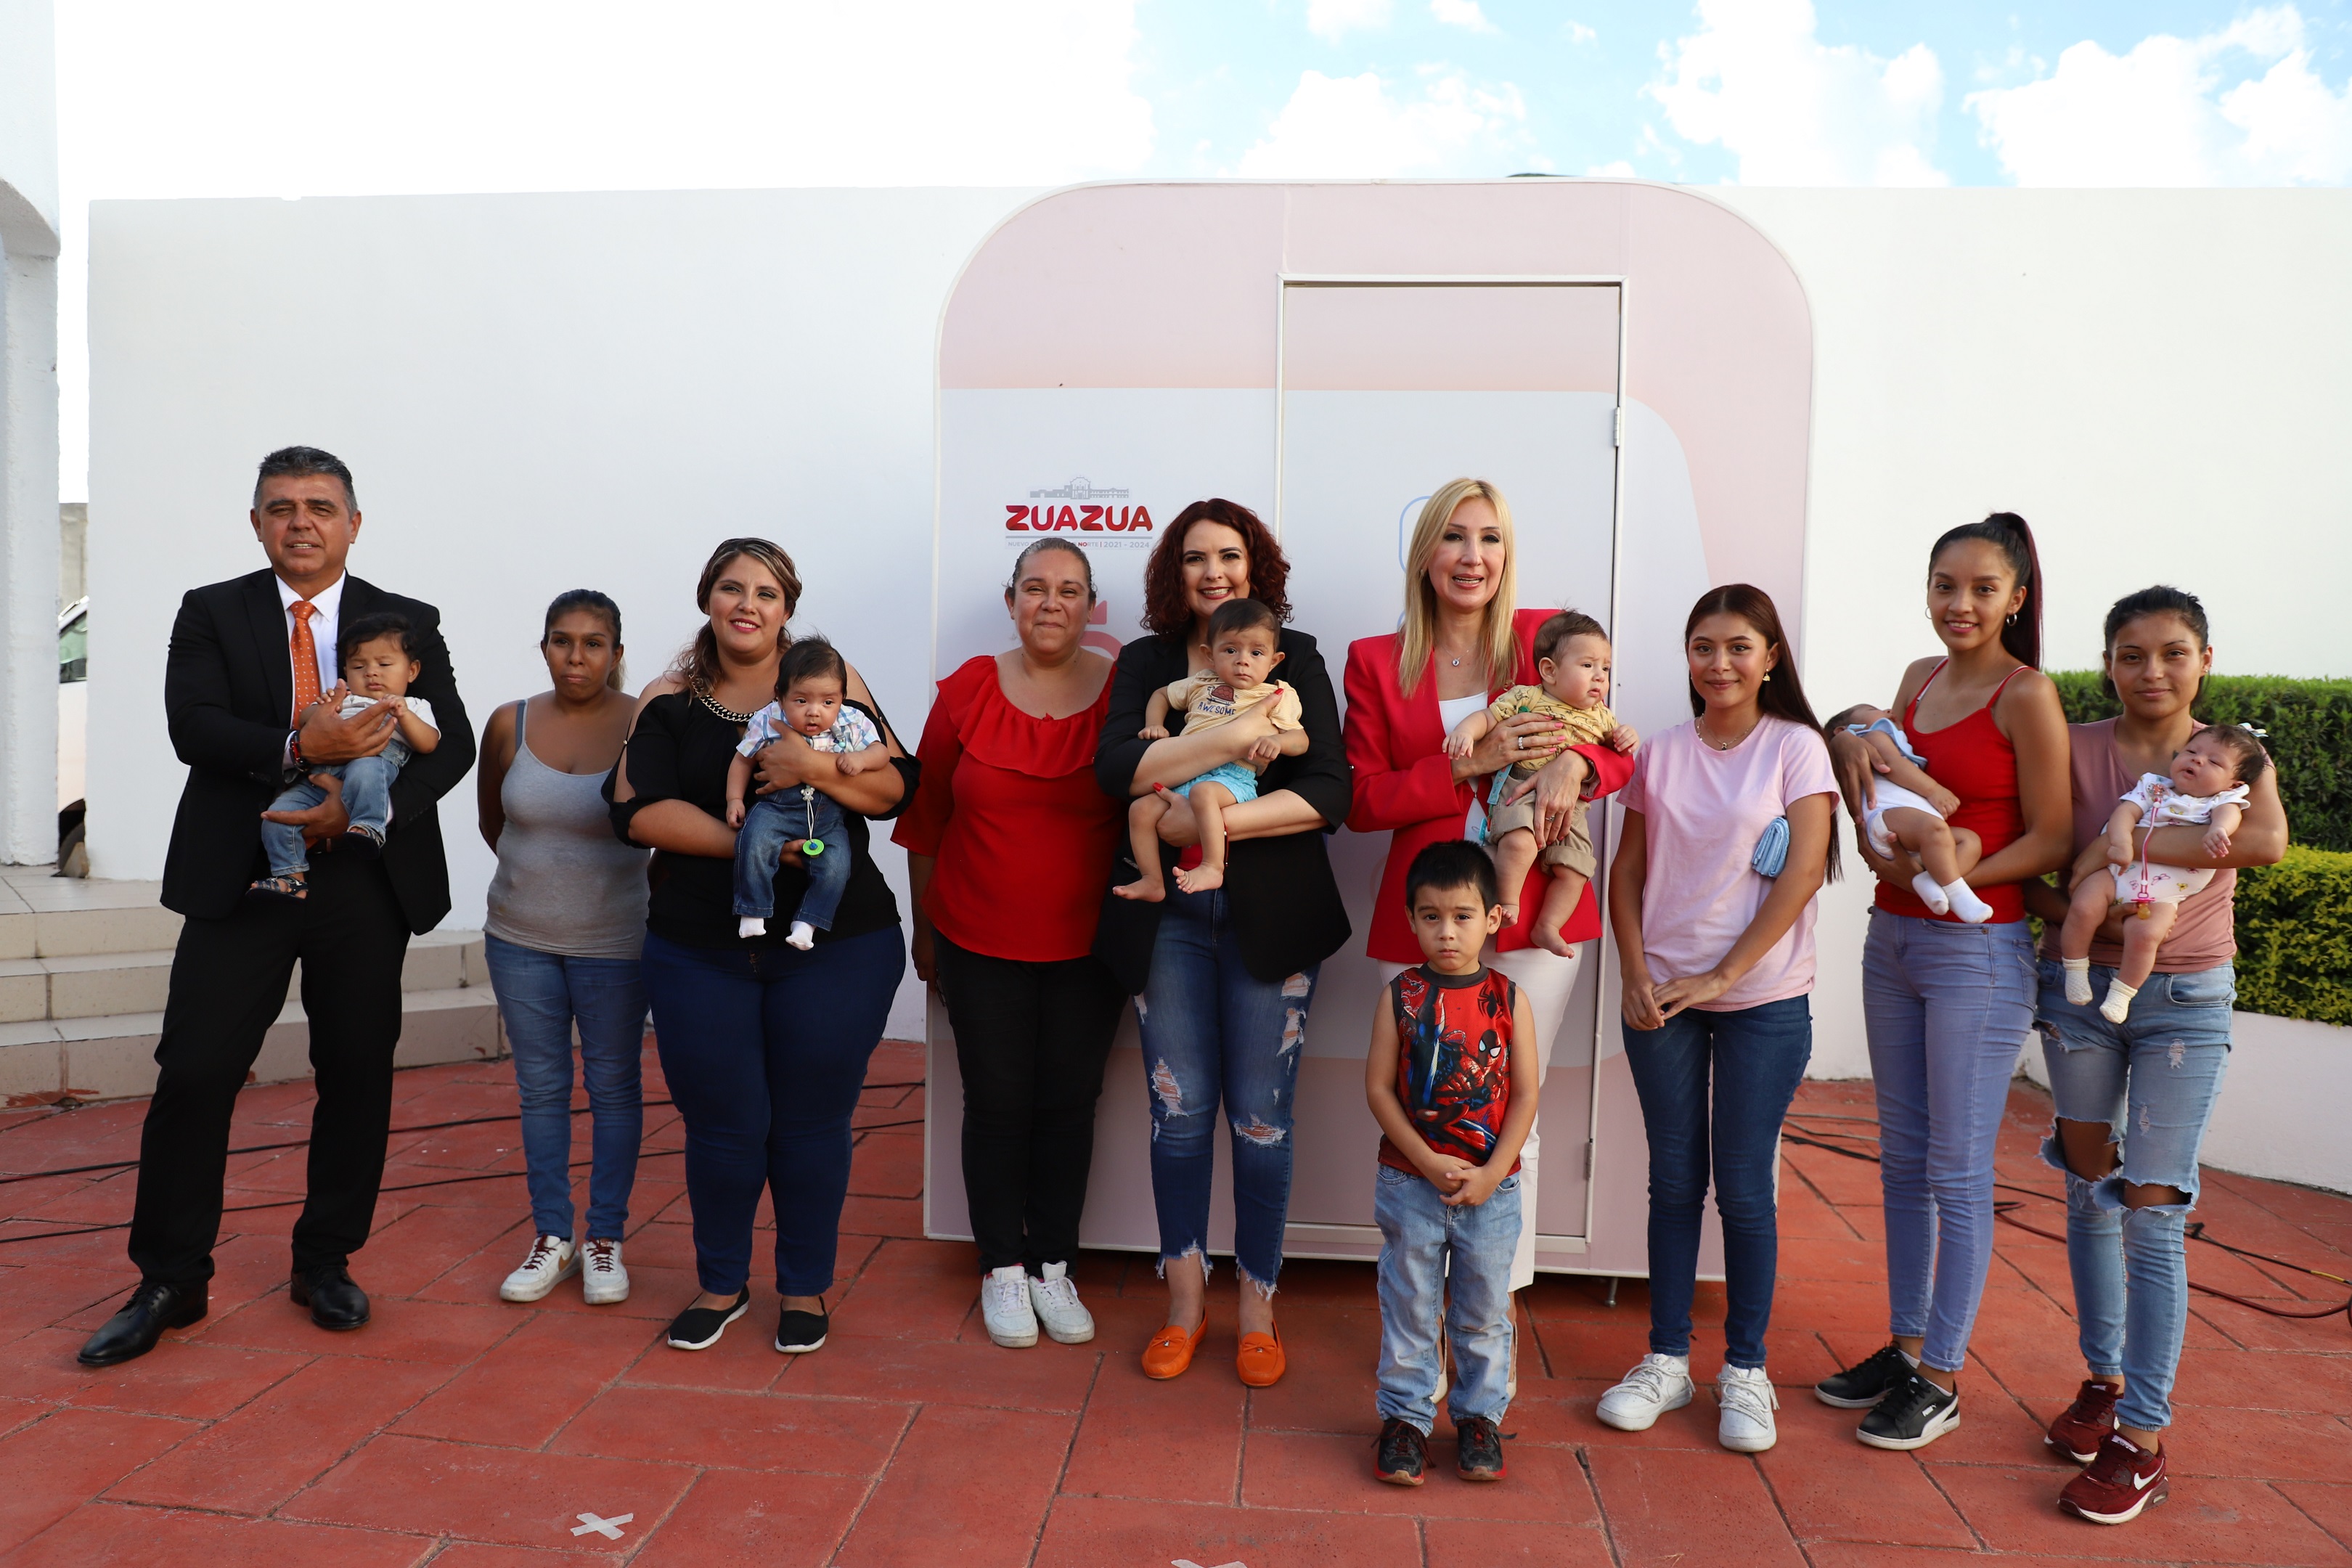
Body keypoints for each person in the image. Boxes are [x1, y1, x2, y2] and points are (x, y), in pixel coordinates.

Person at [80, 446, 475, 1368]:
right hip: (246, 869)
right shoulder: (211, 611)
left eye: (321, 507)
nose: (301, 522)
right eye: (282, 506)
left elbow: (450, 744)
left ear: (353, 524)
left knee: (357, 1072)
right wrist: (304, 749)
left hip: (365, 877)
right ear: (256, 523)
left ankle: (325, 1261)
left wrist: (371, 812)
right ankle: (170, 1278)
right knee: (195, 1071)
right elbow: (194, 726)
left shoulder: (410, 620)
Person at [611, 538, 914, 1357]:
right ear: (706, 597)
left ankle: (805, 1286)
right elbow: (636, 814)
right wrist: (759, 850)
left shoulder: (830, 681)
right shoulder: (669, 698)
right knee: (723, 1126)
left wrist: (814, 763)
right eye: (732, 588)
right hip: (699, 948)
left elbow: (896, 787)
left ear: (787, 608)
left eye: (767, 593)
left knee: (812, 1123)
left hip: (839, 945)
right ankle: (722, 1283)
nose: (748, 604)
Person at [2024, 586, 2287, 1526]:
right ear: (2108, 664)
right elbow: (2036, 862)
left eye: (2174, 652)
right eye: (2131, 654)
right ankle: (2104, 1380)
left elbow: (2266, 842)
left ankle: (2142, 1437)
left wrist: (2123, 843)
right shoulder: (2074, 745)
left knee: (2153, 1210)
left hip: (2186, 1004)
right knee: (2087, 1185)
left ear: (2204, 660)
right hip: (2082, 1000)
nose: (2152, 671)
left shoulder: (2239, 758)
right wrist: (2081, 913)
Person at [1813, 513, 2071, 1450]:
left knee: (1957, 1170)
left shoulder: (2026, 693)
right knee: (1903, 1158)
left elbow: (2053, 835)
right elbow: (1887, 789)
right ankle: (1907, 1345)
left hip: (1978, 952)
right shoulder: (1916, 680)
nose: (1960, 604)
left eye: (1982, 589)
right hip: (1894, 942)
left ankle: (1945, 1374)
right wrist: (1879, 848)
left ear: (2016, 598)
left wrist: (1950, 876)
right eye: (1944, 586)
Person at [1344, 478, 1635, 1297]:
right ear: (1424, 553)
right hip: (1426, 916)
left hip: (1536, 912)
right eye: (1454, 537)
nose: (1473, 557)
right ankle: (1424, 1316)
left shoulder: (1544, 637)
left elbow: (1617, 748)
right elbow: (1361, 800)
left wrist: (1577, 764)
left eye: (1490, 538)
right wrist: (1470, 763)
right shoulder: (1374, 659)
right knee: (1425, 1114)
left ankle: (1491, 1318)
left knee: (1514, 1120)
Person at [1095, 500, 1353, 1387]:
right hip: (1166, 919)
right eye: (1196, 557)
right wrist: (1240, 736)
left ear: (1256, 569)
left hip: (1271, 920)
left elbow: (1329, 790)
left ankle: (1257, 1309)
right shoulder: (1147, 662)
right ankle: (1183, 1305)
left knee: (1261, 1123)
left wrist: (1210, 819)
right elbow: (1115, 771)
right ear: (1175, 572)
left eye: (1230, 556)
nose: (1214, 573)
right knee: (1178, 1118)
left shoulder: (1294, 656)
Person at [1591, 585, 1839, 1454]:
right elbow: (1627, 872)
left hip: (1763, 1001)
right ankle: (1666, 1361)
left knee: (1743, 1187)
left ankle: (1746, 1370)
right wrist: (1633, 972)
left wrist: (1724, 974)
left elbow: (1803, 871)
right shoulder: (1659, 753)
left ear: (1770, 658)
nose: (1720, 663)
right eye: (1704, 647)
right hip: (1661, 998)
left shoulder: (1797, 748)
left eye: (1740, 647)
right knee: (1671, 1182)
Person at [896, 537, 1127, 1351]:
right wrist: (924, 931)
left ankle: (1052, 1265)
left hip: (1090, 947)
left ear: (1091, 605)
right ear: (1011, 600)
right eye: (1035, 588)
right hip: (977, 938)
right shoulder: (965, 691)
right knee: (995, 1106)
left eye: (1068, 590)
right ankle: (1001, 1266)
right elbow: (925, 822)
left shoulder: (1127, 693)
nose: (1050, 603)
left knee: (1068, 1107)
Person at [476, 589, 648, 1307]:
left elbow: (662, 823)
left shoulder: (645, 723)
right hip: (519, 941)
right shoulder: (508, 723)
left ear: (616, 651)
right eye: (561, 641)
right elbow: (493, 820)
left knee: (613, 1088)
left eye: (593, 643)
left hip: (616, 943)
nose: (576, 657)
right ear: (544, 646)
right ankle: (554, 1235)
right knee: (541, 1089)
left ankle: (605, 1237)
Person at [1366, 842, 1540, 1489]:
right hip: (1410, 1183)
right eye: (1431, 916)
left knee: (1483, 1310)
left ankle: (1478, 1419)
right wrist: (1424, 1158)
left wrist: (1493, 1173)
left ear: (1492, 918)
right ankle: (1405, 1420)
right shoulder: (1401, 996)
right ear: (1411, 919)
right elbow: (1379, 1089)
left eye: (1463, 916)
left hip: (1492, 1191)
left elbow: (1525, 1095)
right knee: (1410, 1304)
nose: (1447, 931)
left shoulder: (1509, 998)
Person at [1442, 609, 1636, 950]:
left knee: (1576, 869)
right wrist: (1465, 733)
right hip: (1521, 790)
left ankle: (1548, 925)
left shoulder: (1602, 715)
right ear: (1549, 670)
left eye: (1605, 669)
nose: (1600, 677)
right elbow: (1487, 717)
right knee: (1519, 843)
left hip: (1571, 809)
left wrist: (1624, 736)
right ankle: (1507, 902)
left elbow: (1617, 756)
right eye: (1588, 665)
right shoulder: (1528, 697)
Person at [2055, 726, 2263, 1024]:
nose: (2198, 760)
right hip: (2116, 871)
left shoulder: (2221, 801)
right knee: (2083, 907)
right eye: (2192, 751)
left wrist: (2219, 830)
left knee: (2147, 936)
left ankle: (2123, 992)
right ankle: (2075, 969)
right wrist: (2121, 842)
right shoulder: (2155, 787)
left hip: (2166, 893)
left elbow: (2230, 815)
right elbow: (2125, 813)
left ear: (2234, 784)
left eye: (2214, 762)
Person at [1119, 596, 1306, 901]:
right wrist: (1155, 724)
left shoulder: (1277, 694)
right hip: (1184, 774)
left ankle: (1212, 866)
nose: (1242, 660)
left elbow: (1301, 740)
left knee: (1203, 793)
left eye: (1256, 652)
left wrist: (1278, 741)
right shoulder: (1200, 682)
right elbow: (1161, 695)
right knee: (1140, 810)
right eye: (1230, 650)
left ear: (1274, 661)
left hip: (1232, 778)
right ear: (1209, 654)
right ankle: (1152, 880)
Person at [725, 636, 891, 945]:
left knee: (837, 867)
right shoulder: (768, 719)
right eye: (801, 701)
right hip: (776, 808)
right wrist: (734, 798)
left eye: (828, 702)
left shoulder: (851, 721)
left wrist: (861, 759)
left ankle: (808, 923)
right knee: (753, 843)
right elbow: (742, 759)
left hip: (828, 818)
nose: (814, 712)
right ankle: (753, 910)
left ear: (842, 698)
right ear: (780, 696)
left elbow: (881, 752)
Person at [1835, 705, 1990, 922]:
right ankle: (1958, 894)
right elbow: (1891, 765)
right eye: (1872, 709)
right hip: (1887, 819)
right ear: (1844, 730)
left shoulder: (1895, 742)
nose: (1887, 710)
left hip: (1914, 833)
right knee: (1936, 830)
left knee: (1969, 841)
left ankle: (1929, 880)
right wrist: (1934, 790)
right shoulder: (1871, 738)